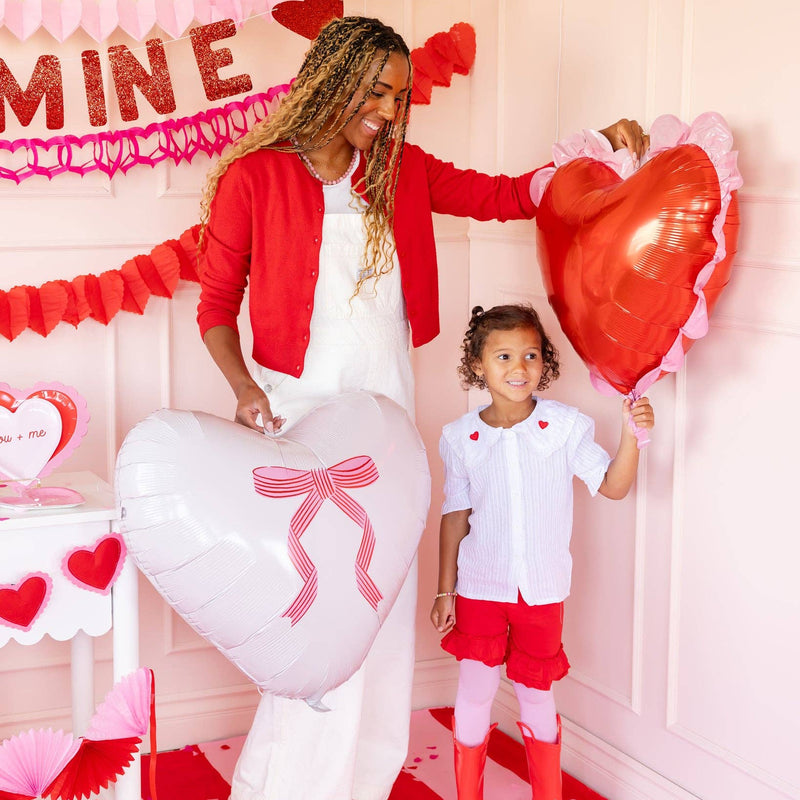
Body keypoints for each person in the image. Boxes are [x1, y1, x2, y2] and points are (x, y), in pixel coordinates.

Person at [196, 15, 649, 800]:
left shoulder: (401, 172)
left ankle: (362, 778)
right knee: (318, 609)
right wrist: (243, 388)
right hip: (300, 417)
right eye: (375, 91)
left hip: (387, 418)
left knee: (380, 596)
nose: (389, 111)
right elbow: (213, 307)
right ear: (330, 81)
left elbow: (507, 196)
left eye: (400, 97)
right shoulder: (255, 177)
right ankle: (289, 782)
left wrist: (597, 151)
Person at [430, 304, 655, 800]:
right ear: (478, 364)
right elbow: (455, 516)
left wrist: (632, 435)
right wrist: (445, 591)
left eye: (530, 355)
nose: (519, 367)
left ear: (544, 361)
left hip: (542, 590)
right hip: (479, 587)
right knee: (475, 691)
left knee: (536, 694)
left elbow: (613, 486)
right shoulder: (459, 438)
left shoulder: (566, 426)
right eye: (504, 356)